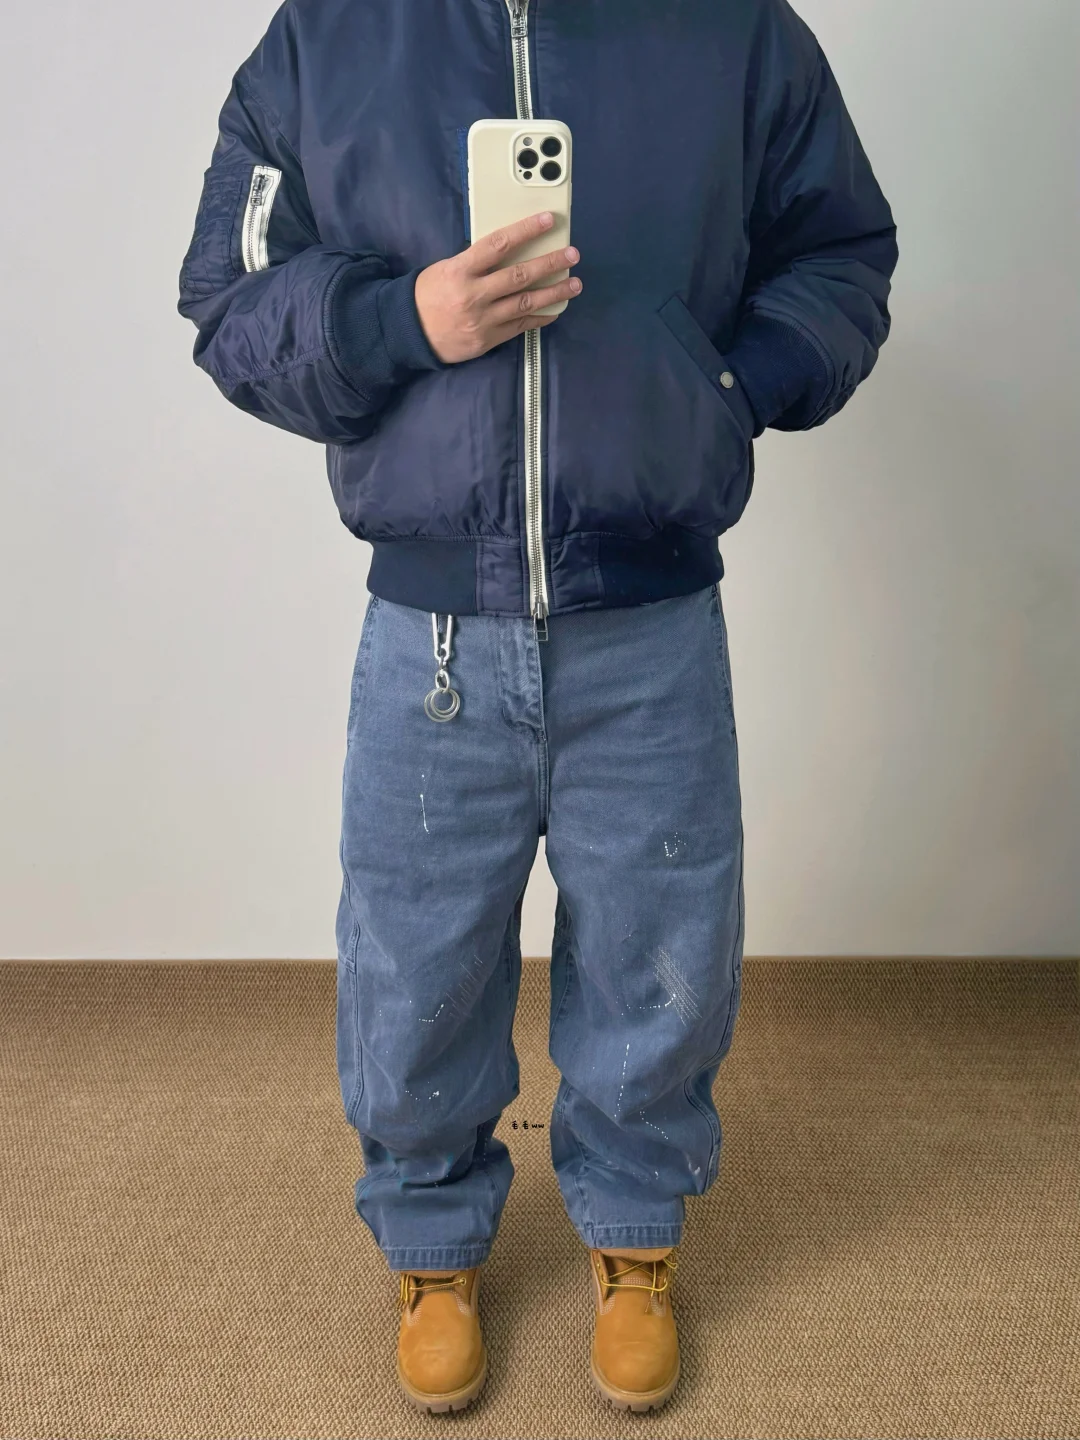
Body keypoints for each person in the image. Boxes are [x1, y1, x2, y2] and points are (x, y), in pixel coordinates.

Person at [178, 0, 897, 1415]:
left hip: (652, 618)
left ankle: (634, 1235)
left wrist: (727, 388)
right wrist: (402, 319)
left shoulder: (733, 31)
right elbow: (231, 296)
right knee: (415, 954)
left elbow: (841, 251)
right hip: (433, 632)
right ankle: (433, 1246)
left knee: (661, 942)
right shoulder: (330, 38)